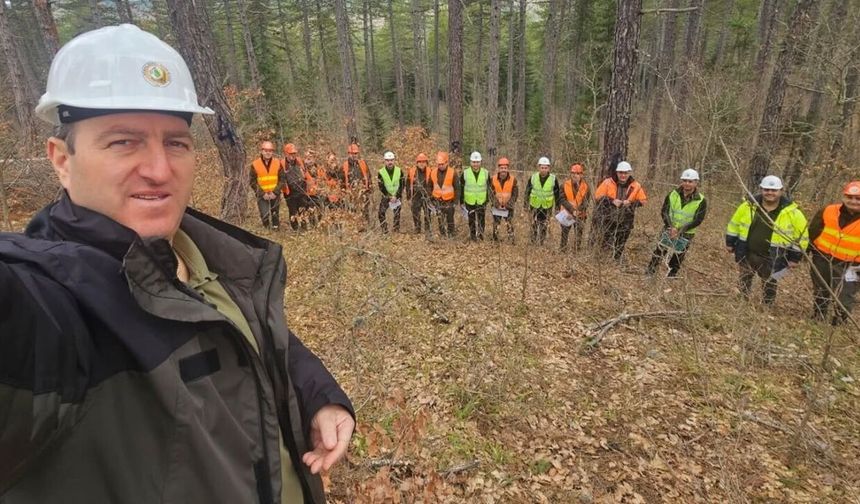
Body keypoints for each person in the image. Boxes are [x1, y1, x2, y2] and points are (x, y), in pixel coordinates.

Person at [0, 25, 354, 503]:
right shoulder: (52, 304)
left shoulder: (214, 257)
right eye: (123, 142)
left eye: (176, 143)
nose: (159, 169)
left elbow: (256, 335)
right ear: (62, 159)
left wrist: (316, 393)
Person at [725, 175, 809, 305]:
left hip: (775, 256)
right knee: (744, 278)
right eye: (766, 189)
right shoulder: (748, 206)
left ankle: (766, 307)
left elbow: (802, 238)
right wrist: (730, 242)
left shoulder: (793, 212)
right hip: (748, 252)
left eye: (774, 190)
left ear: (781, 191)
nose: (770, 193)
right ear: (761, 189)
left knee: (770, 283)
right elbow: (734, 224)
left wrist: (795, 258)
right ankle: (741, 303)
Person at [807, 180, 860, 324]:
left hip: (853, 265)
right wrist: (805, 252)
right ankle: (818, 317)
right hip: (822, 257)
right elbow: (813, 231)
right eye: (850, 197)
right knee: (821, 290)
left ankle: (838, 324)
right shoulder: (828, 210)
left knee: (845, 296)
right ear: (843, 197)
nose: (853, 201)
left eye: (858, 198)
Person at [645, 169, 708, 277]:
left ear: (696, 182)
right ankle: (650, 272)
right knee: (660, 250)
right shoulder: (672, 194)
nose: (687, 183)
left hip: (686, 232)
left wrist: (680, 230)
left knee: (678, 255)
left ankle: (671, 275)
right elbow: (664, 211)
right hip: (669, 228)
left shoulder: (701, 200)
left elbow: (698, 220)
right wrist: (671, 227)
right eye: (685, 180)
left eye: (690, 181)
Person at [592, 161, 647, 260]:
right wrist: (612, 201)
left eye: (625, 173)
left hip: (626, 219)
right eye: (621, 172)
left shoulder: (636, 185)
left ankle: (616, 261)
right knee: (605, 242)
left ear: (629, 173)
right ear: (617, 172)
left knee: (620, 244)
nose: (623, 175)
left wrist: (630, 203)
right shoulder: (607, 182)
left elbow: (643, 201)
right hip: (608, 218)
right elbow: (597, 196)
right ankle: (603, 261)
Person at [523, 157, 560, 245]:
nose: (544, 170)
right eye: (542, 167)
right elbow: (527, 191)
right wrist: (525, 205)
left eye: (545, 168)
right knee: (534, 225)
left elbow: (557, 194)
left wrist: (557, 207)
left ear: (549, 168)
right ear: (538, 167)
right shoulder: (533, 177)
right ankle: (533, 242)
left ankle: (541, 242)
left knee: (544, 226)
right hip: (534, 205)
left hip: (547, 206)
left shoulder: (553, 179)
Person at [249, 140, 284, 229]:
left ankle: (276, 229)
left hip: (275, 194)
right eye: (266, 150)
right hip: (262, 195)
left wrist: (275, 192)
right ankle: (267, 229)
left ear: (272, 152)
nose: (268, 153)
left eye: (270, 151)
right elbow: (252, 182)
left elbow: (282, 180)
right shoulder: (255, 164)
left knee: (275, 214)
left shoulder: (278, 163)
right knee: (264, 215)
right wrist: (262, 193)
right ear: (262, 151)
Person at [559, 163, 591, 252]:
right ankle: (562, 250)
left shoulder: (586, 187)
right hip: (566, 213)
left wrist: (577, 211)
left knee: (578, 234)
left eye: (577, 173)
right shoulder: (564, 185)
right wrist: (572, 211)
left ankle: (576, 251)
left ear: (581, 175)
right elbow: (561, 199)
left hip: (580, 214)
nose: (575, 175)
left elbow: (586, 203)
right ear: (570, 173)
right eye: (573, 173)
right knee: (564, 233)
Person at [460, 151, 490, 241]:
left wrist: (487, 200)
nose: (475, 164)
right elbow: (461, 188)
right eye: (474, 162)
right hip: (469, 201)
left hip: (482, 201)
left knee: (481, 220)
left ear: (480, 162)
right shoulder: (465, 173)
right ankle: (473, 237)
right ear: (470, 162)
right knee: (471, 220)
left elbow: (489, 188)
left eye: (477, 162)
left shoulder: (486, 173)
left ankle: (481, 236)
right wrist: (461, 200)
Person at [430, 150, 459, 238]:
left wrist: (455, 202)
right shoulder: (433, 172)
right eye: (439, 164)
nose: (440, 166)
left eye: (442, 164)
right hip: (437, 200)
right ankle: (442, 235)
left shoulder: (453, 172)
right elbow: (429, 186)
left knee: (450, 219)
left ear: (447, 162)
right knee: (440, 219)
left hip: (449, 201)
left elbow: (457, 188)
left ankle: (451, 235)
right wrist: (431, 198)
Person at [282, 142, 310, 231]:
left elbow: (306, 174)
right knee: (293, 211)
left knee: (302, 210)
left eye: (294, 153)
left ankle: (304, 227)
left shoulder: (300, 161)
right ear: (286, 154)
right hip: (290, 192)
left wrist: (309, 185)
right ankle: (295, 229)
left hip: (301, 190)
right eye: (291, 153)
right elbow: (280, 178)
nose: (293, 155)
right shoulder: (282, 164)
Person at [489, 157, 518, 243]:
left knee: (509, 224)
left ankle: (511, 240)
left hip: (508, 207)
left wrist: (509, 204)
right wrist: (496, 204)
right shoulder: (492, 179)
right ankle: (495, 241)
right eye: (501, 168)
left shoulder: (513, 180)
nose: (503, 170)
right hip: (496, 206)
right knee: (496, 224)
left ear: (508, 169)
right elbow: (491, 194)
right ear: (498, 168)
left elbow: (515, 194)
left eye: (505, 168)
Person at [342, 143, 371, 224]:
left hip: (363, 194)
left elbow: (369, 176)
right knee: (353, 214)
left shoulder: (363, 163)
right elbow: (342, 181)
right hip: (351, 195)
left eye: (356, 153)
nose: (355, 155)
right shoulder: (345, 165)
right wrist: (344, 193)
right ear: (349, 154)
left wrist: (369, 190)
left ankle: (366, 228)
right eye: (353, 153)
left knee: (365, 214)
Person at [377, 151, 404, 233]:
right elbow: (381, 186)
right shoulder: (381, 172)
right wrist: (389, 196)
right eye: (388, 160)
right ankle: (384, 230)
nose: (390, 162)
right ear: (385, 161)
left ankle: (396, 230)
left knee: (397, 214)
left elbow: (402, 185)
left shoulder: (399, 171)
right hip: (386, 196)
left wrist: (396, 196)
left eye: (391, 160)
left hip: (397, 196)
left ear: (394, 160)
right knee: (381, 213)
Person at [407, 152, 432, 235]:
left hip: (427, 196)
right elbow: (408, 185)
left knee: (427, 214)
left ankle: (427, 230)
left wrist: (432, 196)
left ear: (426, 163)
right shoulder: (411, 171)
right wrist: (408, 197)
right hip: (415, 196)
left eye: (423, 162)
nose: (422, 163)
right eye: (420, 162)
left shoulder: (431, 171)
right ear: (417, 163)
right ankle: (417, 229)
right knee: (415, 213)